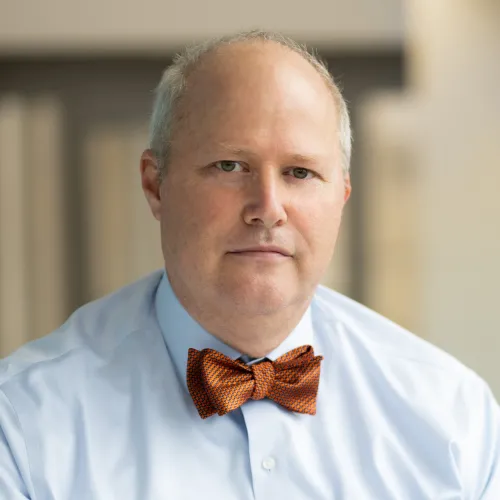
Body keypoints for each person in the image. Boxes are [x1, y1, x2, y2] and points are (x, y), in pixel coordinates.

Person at [0, 30, 499, 500]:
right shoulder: (23, 422)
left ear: (342, 197)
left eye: (300, 172)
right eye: (230, 166)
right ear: (156, 185)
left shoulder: (454, 418)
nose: (268, 206)